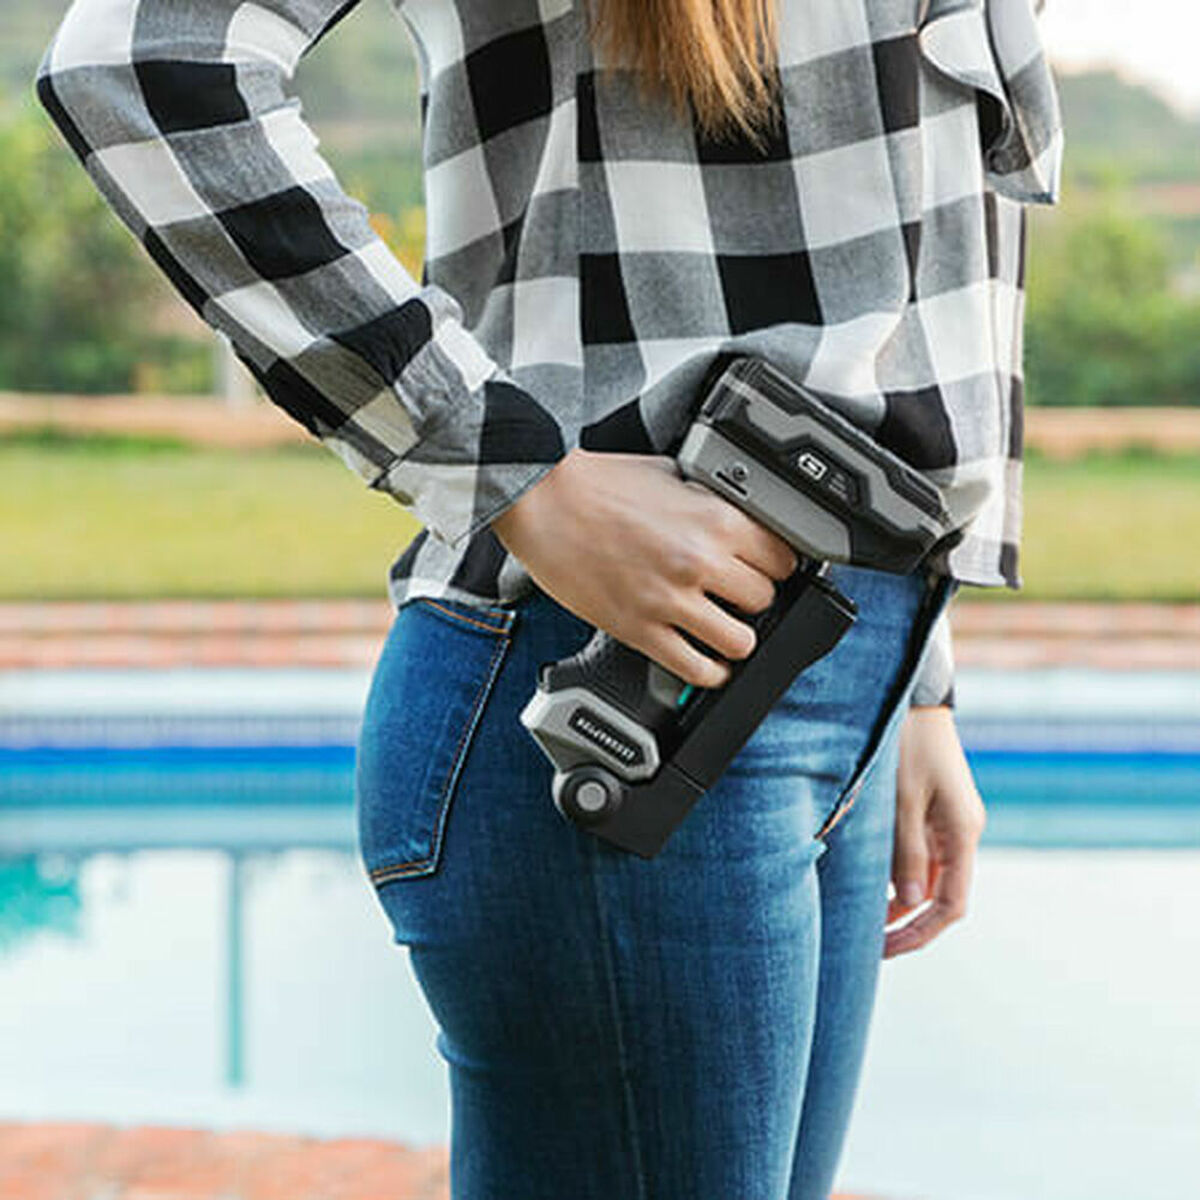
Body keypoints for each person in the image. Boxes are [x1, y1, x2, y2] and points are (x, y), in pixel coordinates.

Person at [34, 0, 1062, 1195]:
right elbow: (143, 58)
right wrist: (506, 466)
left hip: (828, 671)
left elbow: (902, 292)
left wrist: (915, 681)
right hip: (610, 687)